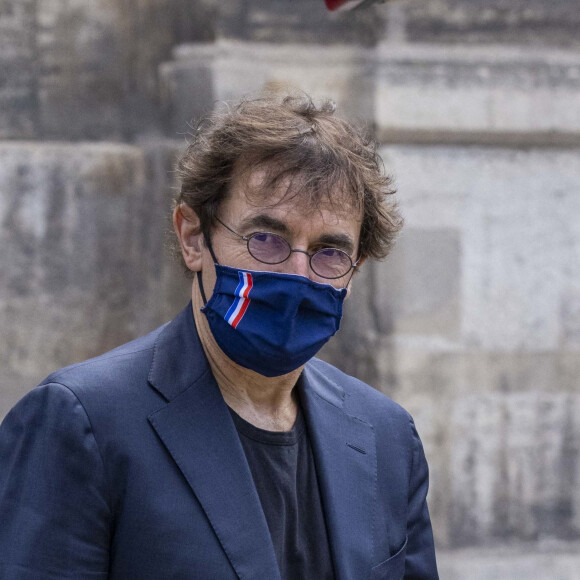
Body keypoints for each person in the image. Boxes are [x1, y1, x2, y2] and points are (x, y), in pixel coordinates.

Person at [0, 95, 438, 579]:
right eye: (265, 239)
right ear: (193, 238)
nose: (296, 274)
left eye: (329, 251)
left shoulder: (387, 436)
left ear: (354, 271)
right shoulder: (81, 421)